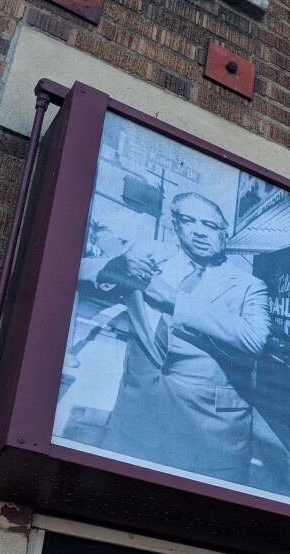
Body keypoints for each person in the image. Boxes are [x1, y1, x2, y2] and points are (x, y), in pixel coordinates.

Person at [80, 192, 270, 483]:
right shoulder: (147, 256)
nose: (199, 232)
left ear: (224, 233)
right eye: (188, 221)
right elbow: (73, 269)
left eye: (209, 225)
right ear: (175, 226)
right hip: (134, 424)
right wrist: (110, 268)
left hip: (211, 440)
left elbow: (255, 339)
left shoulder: (249, 286)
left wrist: (173, 300)